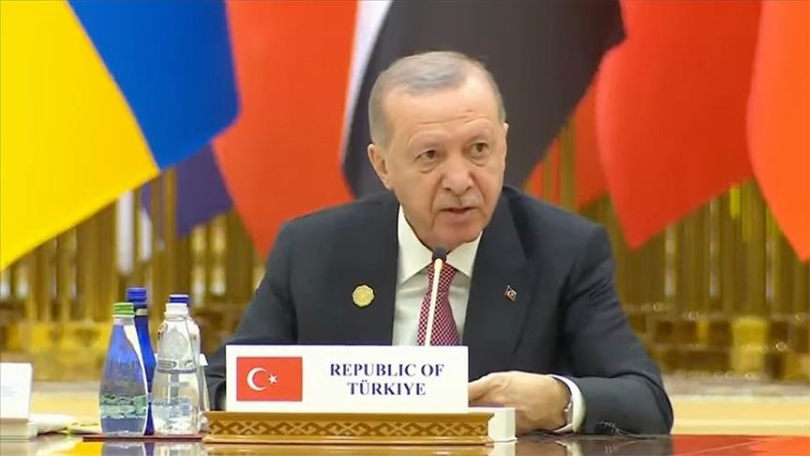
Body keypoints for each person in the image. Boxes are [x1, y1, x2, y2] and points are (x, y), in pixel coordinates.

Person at [205, 50, 673, 435]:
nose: (460, 180)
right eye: (430, 155)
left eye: (478, 150)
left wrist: (557, 400)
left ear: (504, 146)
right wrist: (308, 399)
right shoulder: (313, 249)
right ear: (383, 166)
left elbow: (646, 401)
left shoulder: (564, 250)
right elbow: (220, 384)